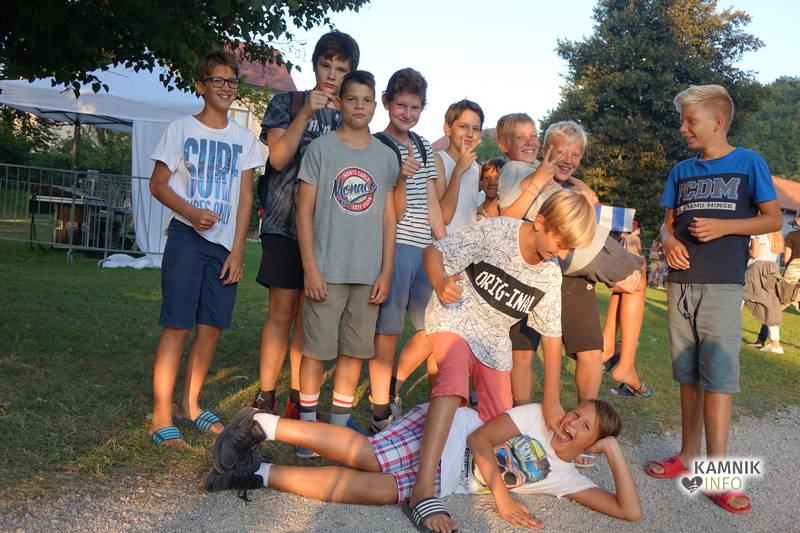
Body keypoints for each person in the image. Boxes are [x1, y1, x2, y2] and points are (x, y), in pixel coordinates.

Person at [407, 189, 596, 532]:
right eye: (561, 244)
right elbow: (435, 251)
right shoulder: (497, 232)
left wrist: (552, 399)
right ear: (540, 222)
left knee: (500, 419)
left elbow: (552, 336)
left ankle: (461, 468)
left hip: (493, 338)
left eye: (570, 249)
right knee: (452, 382)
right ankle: (422, 492)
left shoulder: (549, 274)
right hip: (456, 315)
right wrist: (439, 280)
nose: (563, 254)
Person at [209, 400, 641, 531]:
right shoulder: (535, 418)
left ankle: (257, 473)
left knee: (379, 491)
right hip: (446, 432)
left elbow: (629, 512)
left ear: (593, 443)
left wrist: (614, 452)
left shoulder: (566, 478)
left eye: (584, 428)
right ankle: (261, 424)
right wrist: (504, 499)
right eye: (575, 414)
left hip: (444, 477)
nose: (570, 424)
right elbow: (479, 439)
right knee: (371, 456)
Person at [649, 84, 781, 514]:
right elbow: (666, 224)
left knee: (718, 377)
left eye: (691, 121)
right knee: (687, 375)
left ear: (717, 122)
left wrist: (725, 227)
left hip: (722, 284)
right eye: (683, 121)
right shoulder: (681, 170)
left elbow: (772, 219)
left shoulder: (749, 162)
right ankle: (688, 456)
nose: (683, 128)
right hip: (680, 284)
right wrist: (668, 241)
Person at [146, 50, 265, 446]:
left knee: (211, 328)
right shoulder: (181, 128)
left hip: (224, 248)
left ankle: (189, 405)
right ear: (201, 86)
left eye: (232, 81)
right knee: (178, 326)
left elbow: (246, 198)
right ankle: (160, 415)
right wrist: (192, 213)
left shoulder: (244, 139)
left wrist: (238, 250)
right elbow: (158, 184)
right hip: (187, 238)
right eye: (218, 80)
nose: (226, 87)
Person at [497, 119, 650, 418]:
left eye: (575, 155)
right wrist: (578, 195)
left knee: (532, 349)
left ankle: (609, 351)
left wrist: (580, 187)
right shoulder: (520, 171)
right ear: (546, 150)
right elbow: (510, 214)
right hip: (578, 250)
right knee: (638, 274)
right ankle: (622, 359)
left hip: (561, 259)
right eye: (561, 152)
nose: (568, 159)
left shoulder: (544, 177)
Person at [253, 31, 360, 417]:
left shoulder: (349, 114)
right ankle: (265, 394)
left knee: (308, 320)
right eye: (325, 66)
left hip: (326, 233)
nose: (331, 75)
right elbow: (278, 158)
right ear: (314, 65)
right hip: (284, 224)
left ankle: (299, 398)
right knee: (281, 313)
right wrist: (306, 113)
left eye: (341, 69)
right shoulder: (288, 101)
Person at [294, 70, 399, 454]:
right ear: (339, 103)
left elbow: (389, 218)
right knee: (316, 351)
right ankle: (307, 432)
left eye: (367, 100)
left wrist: (386, 270)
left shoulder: (385, 157)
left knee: (354, 352)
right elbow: (303, 211)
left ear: (376, 105)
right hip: (326, 270)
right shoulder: (321, 149)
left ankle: (337, 431)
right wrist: (310, 267)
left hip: (367, 274)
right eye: (352, 99)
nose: (360, 106)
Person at [370, 68, 446, 433]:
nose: (408, 113)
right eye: (401, 105)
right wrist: (399, 176)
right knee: (387, 330)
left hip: (424, 249)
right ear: (387, 102)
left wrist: (445, 245)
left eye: (415, 107)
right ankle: (379, 411)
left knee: (436, 325)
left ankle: (392, 386)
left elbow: (432, 202)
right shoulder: (376, 145)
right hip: (394, 244)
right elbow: (388, 209)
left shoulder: (422, 145)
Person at [433, 99, 485, 235]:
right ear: (448, 128)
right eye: (463, 126)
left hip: (469, 243)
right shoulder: (437, 160)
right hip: (444, 243)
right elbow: (444, 217)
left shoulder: (477, 168)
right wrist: (458, 172)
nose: (470, 134)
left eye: (476, 129)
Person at [743, 232, 784, 353]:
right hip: (772, 269)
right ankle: (775, 344)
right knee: (771, 306)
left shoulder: (757, 232)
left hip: (757, 268)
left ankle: (725, 331)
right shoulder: (777, 235)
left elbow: (754, 254)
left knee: (740, 296)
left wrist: (743, 248)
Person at [781, 211, 800, 311]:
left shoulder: (792, 235)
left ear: (798, 220)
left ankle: (768, 321)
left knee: (784, 301)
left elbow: (786, 259)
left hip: (793, 271)